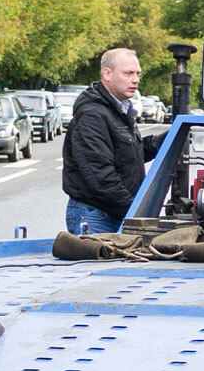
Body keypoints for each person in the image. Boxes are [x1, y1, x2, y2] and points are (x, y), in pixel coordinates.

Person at [62, 48, 164, 234]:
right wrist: (135, 212)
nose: (136, 80)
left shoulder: (119, 110)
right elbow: (100, 176)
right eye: (128, 73)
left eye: (137, 74)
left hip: (114, 214)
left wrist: (169, 139)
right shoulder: (92, 114)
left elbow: (129, 155)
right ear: (107, 74)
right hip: (97, 217)